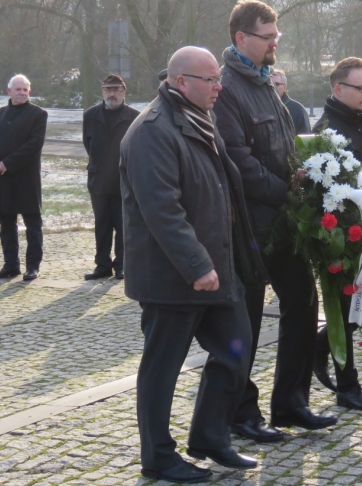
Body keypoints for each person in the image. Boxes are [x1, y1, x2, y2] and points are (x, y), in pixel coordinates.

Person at [121, 46, 266, 483]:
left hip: (217, 267)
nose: (219, 87)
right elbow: (162, 210)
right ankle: (158, 457)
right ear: (181, 81)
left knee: (236, 350)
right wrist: (198, 265)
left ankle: (210, 436)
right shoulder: (152, 130)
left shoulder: (201, 117)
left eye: (218, 78)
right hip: (171, 275)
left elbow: (222, 189)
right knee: (162, 369)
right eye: (211, 80)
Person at [215, 0, 336, 441]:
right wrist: (287, 191)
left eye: (275, 37)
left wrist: (303, 173)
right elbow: (238, 161)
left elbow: (281, 146)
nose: (274, 45)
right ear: (241, 38)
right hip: (249, 226)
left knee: (303, 303)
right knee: (244, 322)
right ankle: (240, 413)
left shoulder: (265, 81)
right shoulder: (228, 88)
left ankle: (291, 403)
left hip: (284, 222)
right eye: (267, 37)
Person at [312, 57, 362, 413]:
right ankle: (348, 386)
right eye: (361, 88)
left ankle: (319, 350)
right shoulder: (329, 130)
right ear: (338, 89)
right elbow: (327, 189)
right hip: (343, 235)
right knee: (348, 306)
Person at [0, 75, 48, 281]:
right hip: (1, 178)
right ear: (9, 91)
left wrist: (7, 164)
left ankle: (33, 266)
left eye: (25, 90)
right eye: (18, 89)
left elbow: (34, 144)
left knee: (32, 224)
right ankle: (11, 265)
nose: (22, 93)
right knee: (6, 224)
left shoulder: (38, 114)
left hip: (26, 177)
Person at [82, 74, 138, 280]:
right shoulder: (90, 115)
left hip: (123, 180)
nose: (112, 94)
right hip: (98, 180)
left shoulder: (134, 117)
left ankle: (121, 265)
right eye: (108, 90)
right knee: (102, 225)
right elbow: (88, 144)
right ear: (102, 92)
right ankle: (102, 265)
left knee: (123, 225)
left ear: (124, 92)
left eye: (116, 90)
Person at [271, 69, 310, 135]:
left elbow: (306, 138)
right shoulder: (260, 107)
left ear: (285, 87)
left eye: (276, 84)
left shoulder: (298, 110)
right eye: (270, 84)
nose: (272, 87)